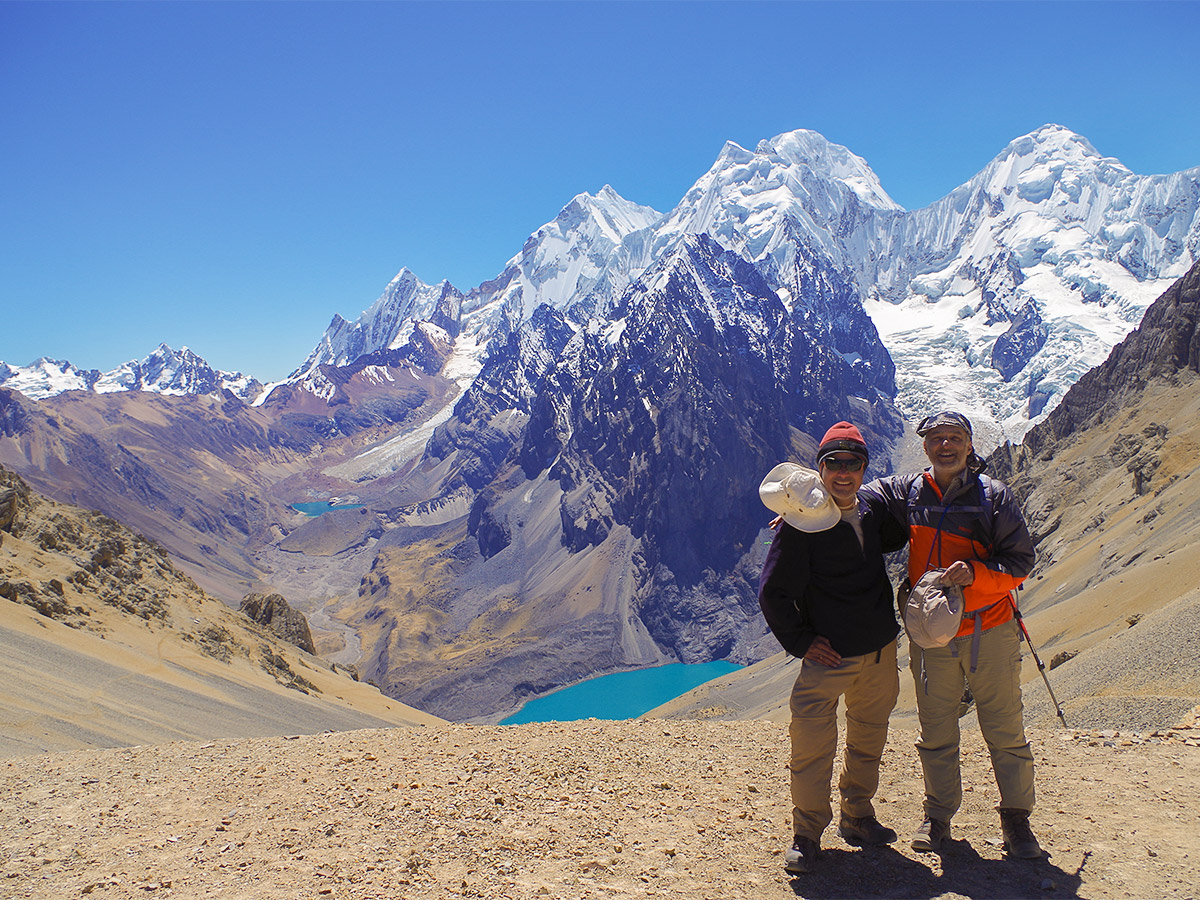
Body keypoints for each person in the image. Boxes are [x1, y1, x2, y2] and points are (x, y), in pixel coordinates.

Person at [860, 411, 1041, 858]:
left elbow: (1019, 564)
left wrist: (975, 574)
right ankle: (938, 815)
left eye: (954, 438)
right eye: (937, 438)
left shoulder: (995, 498)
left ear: (968, 444)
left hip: (990, 628)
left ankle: (1016, 820)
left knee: (1003, 726)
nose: (945, 446)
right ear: (925, 446)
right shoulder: (910, 492)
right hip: (933, 633)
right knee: (936, 727)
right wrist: (802, 506)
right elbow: (854, 494)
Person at [758, 422, 908, 875]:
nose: (843, 473)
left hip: (880, 651)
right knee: (811, 745)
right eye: (833, 464)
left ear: (864, 467)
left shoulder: (873, 507)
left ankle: (857, 817)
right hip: (831, 656)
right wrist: (803, 642)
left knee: (868, 738)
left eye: (853, 463)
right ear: (820, 467)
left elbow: (900, 526)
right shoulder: (800, 523)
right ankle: (806, 834)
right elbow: (773, 592)